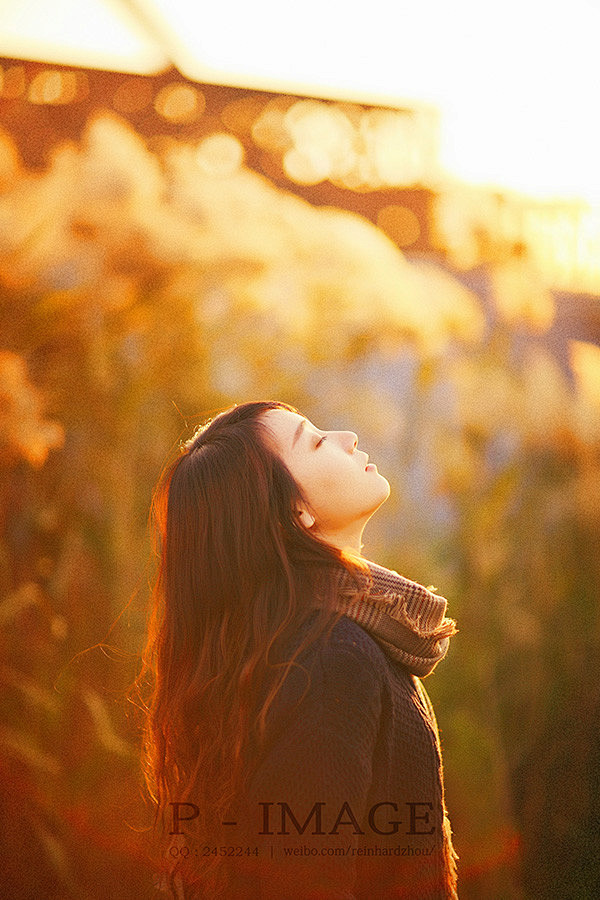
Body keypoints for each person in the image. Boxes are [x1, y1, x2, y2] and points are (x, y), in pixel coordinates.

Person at [141, 400, 458, 899]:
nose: (347, 436)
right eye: (314, 440)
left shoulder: (328, 647)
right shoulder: (332, 663)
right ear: (296, 510)